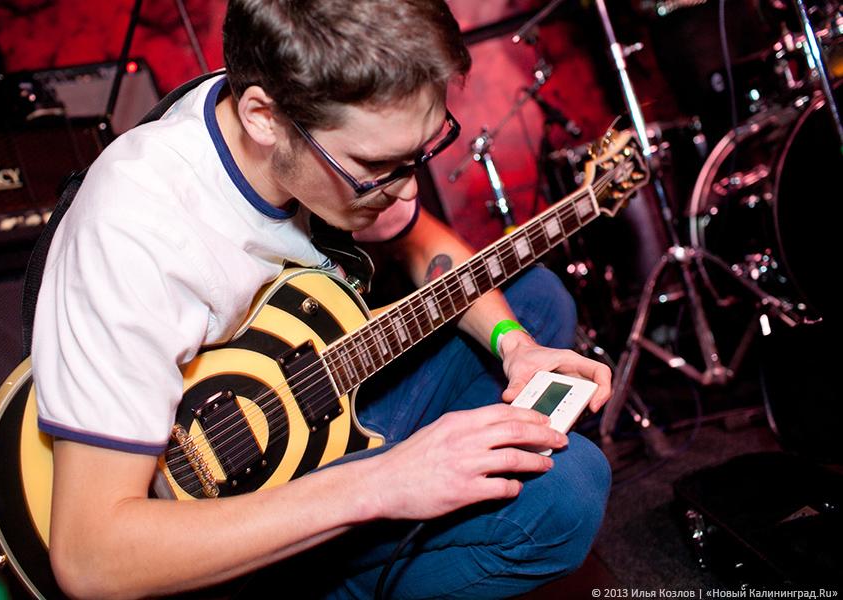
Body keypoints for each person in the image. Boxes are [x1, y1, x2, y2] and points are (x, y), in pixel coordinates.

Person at [31, 0, 613, 598]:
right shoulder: (134, 229)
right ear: (263, 118)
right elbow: (90, 558)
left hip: (317, 407)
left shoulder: (313, 117)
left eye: (419, 153)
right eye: (377, 165)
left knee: (534, 302)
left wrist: (514, 346)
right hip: (216, 512)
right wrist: (385, 482)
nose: (407, 189)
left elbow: (423, 244)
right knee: (566, 491)